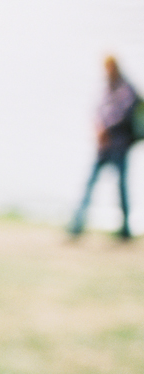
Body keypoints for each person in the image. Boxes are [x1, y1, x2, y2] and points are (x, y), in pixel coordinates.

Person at [69, 55, 139, 239]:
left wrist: (106, 129)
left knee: (120, 187)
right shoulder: (107, 88)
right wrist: (98, 128)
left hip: (119, 146)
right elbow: (99, 110)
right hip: (104, 147)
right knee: (90, 184)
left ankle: (125, 229)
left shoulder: (125, 89)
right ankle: (77, 224)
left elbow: (123, 115)